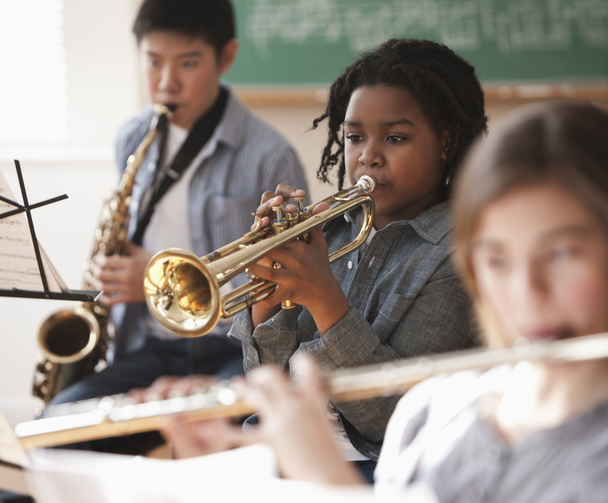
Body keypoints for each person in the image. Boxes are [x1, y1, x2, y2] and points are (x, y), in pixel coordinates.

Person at [163, 100, 608, 503]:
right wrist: (269, 289)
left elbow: (378, 420)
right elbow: (268, 376)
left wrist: (321, 477)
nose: (527, 292)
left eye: (561, 254)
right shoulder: (433, 413)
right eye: (497, 259)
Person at [139, 38, 488, 480]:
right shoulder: (331, 231)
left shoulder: (462, 252)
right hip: (281, 445)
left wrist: (324, 299)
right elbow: (266, 381)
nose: (368, 156)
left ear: (446, 142)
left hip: (377, 468)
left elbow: (392, 419)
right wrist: (266, 296)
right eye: (355, 137)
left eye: (395, 138)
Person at [44, 0, 306, 455]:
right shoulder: (132, 136)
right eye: (153, 62)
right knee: (53, 432)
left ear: (225, 57)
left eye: (187, 63)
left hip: (235, 354)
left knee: (219, 438)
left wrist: (152, 280)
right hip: (150, 351)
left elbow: (294, 289)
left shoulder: (270, 155)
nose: (166, 82)